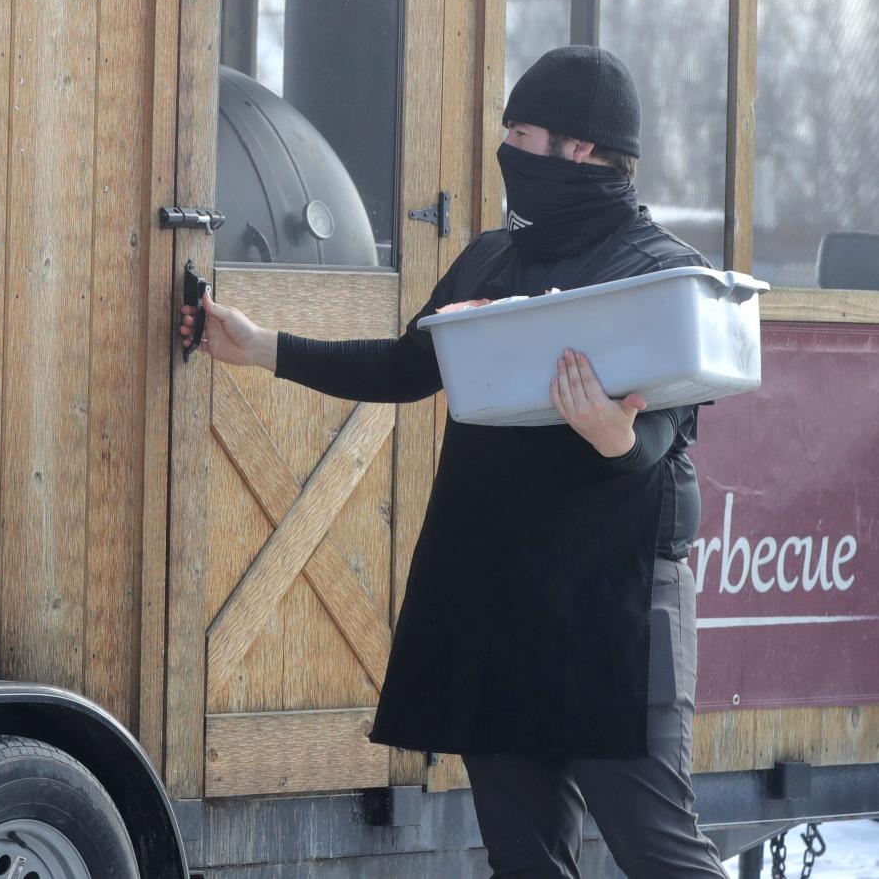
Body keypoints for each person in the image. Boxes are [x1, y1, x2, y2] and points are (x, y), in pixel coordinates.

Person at [181, 46, 730, 878]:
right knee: (524, 859)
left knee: (658, 849)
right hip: (499, 598)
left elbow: (657, 437)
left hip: (613, 610)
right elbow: (409, 368)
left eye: (521, 132)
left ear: (580, 149)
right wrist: (262, 348)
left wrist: (611, 435)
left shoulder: (659, 273)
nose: (505, 149)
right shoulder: (490, 259)